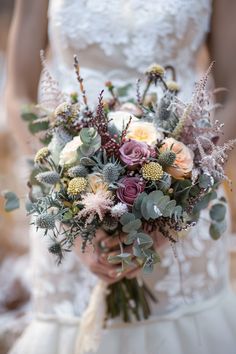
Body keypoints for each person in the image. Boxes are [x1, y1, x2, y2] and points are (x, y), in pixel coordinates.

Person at [5, 1, 236, 353]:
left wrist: (177, 209)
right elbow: (19, 92)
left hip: (187, 185)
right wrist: (67, 207)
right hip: (68, 187)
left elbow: (232, 92)